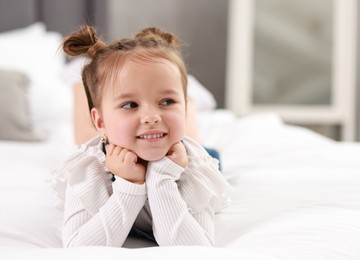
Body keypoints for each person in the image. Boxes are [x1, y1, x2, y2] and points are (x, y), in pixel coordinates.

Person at [51, 25, 232, 247]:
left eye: (167, 101)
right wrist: (129, 185)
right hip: (121, 145)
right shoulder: (89, 168)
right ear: (100, 121)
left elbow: (194, 250)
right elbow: (79, 249)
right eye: (130, 104)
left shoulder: (196, 167)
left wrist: (162, 178)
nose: (151, 116)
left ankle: (188, 101)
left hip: (185, 150)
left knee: (203, 147)